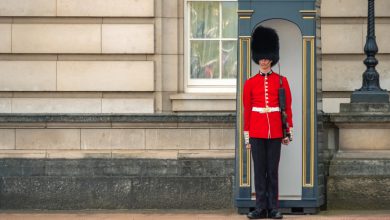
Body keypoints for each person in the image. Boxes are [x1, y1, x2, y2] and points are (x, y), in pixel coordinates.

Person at [244, 26, 293, 219]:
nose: (264, 61)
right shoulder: (250, 82)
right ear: (258, 58)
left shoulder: (282, 81)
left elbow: (287, 108)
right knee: (259, 171)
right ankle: (260, 207)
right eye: (261, 58)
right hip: (256, 130)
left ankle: (273, 207)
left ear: (272, 58)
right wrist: (247, 136)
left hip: (275, 131)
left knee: (272, 171)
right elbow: (247, 110)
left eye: (266, 58)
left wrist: (288, 132)